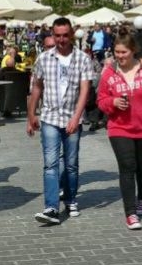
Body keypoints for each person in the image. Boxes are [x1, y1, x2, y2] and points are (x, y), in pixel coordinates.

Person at [97, 34, 142, 230]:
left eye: (124, 52)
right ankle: (130, 213)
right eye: (116, 52)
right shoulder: (109, 72)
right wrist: (112, 102)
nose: (120, 56)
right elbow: (101, 100)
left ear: (133, 50)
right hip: (120, 128)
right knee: (127, 167)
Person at [27, 17, 94, 225]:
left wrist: (76, 117)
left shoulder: (83, 59)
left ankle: (71, 199)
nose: (61, 39)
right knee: (51, 164)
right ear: (52, 35)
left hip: (72, 116)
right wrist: (31, 115)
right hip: (49, 117)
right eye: (57, 35)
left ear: (72, 34)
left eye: (65, 35)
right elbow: (36, 87)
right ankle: (51, 207)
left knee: (71, 164)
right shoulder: (44, 58)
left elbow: (85, 90)